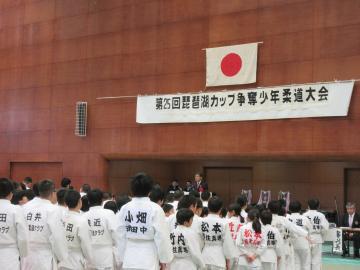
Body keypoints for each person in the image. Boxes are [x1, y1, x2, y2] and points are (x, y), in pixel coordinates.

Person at [117, 173, 173, 270]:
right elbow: (161, 236)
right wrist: (165, 259)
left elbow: (120, 234)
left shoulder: (125, 208)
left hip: (129, 256)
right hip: (148, 257)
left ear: (132, 189)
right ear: (150, 191)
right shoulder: (156, 209)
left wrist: (121, 257)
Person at [22, 179, 68, 270]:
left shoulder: (25, 207)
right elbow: (57, 237)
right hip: (44, 257)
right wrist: (62, 257)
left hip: (26, 256)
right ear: (52, 193)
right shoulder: (53, 210)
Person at [83, 189, 119, 270]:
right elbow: (116, 234)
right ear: (102, 200)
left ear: (88, 201)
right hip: (106, 254)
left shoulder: (83, 216)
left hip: (89, 255)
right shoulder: (109, 213)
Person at [268, 200, 307, 270]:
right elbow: (294, 228)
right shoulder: (283, 219)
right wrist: (306, 234)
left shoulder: (265, 218)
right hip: (283, 246)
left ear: (268, 209)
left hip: (269, 246)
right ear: (280, 209)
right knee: (283, 266)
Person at [58, 190, 93, 270]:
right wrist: (90, 262)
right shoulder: (81, 221)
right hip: (76, 262)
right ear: (80, 202)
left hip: (61, 261)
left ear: (65, 203)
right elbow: (86, 245)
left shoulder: (60, 218)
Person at [0, 178, 28, 270]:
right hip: (9, 256)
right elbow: (23, 237)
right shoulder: (16, 210)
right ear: (11, 194)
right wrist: (24, 255)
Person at [200, 196, 236, 270]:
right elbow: (227, 245)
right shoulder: (224, 223)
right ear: (220, 209)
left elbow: (198, 241)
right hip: (218, 258)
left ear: (208, 208)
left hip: (204, 257)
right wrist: (229, 259)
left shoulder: (200, 221)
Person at [303, 199, 329, 268]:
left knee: (306, 260)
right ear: (318, 206)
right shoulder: (321, 215)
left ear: (308, 206)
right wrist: (322, 237)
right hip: (317, 238)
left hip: (306, 238)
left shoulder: (304, 215)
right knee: (316, 260)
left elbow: (301, 228)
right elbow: (325, 228)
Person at [287, 201, 311, 270]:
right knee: (305, 264)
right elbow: (309, 231)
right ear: (300, 209)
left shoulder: (287, 219)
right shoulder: (304, 218)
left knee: (295, 264)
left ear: (289, 209)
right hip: (304, 242)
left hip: (291, 243)